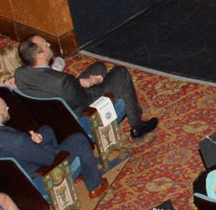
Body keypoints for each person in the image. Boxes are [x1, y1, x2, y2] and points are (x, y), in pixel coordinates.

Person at [13, 35, 156, 140]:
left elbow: (52, 85)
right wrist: (92, 82)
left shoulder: (20, 74)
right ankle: (137, 126)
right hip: (80, 120)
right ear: (39, 55)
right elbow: (89, 98)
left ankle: (129, 106)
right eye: (46, 45)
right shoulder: (62, 82)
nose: (49, 44)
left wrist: (82, 82)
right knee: (120, 74)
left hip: (53, 115)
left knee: (99, 67)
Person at [0, 93, 104, 198]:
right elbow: (50, 158)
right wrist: (40, 145)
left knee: (46, 130)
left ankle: (69, 176)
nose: (8, 108)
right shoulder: (17, 141)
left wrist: (37, 142)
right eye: (4, 109)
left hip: (10, 180)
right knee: (78, 139)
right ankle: (95, 185)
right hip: (36, 182)